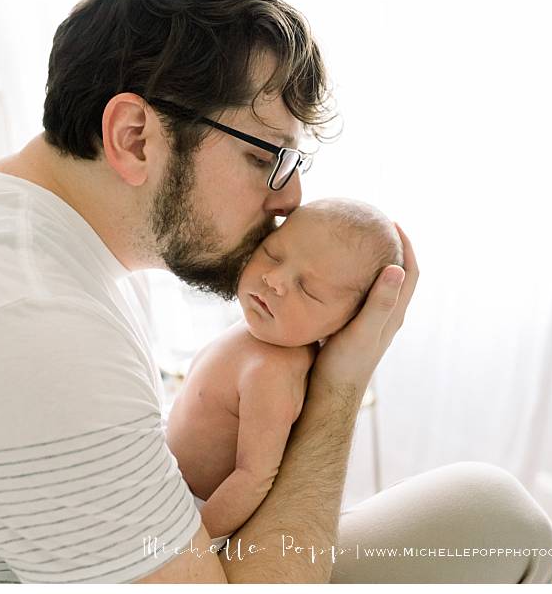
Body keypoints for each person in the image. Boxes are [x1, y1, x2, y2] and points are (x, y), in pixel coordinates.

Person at [0, 0, 552, 584]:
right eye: (271, 157)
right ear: (134, 136)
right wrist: (338, 385)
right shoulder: (30, 321)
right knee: (501, 518)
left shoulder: (25, 231)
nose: (289, 201)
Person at [166, 198, 403, 551]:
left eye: (308, 289)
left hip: (197, 512)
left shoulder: (272, 372)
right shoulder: (262, 328)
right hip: (165, 482)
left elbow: (254, 477)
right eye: (273, 254)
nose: (273, 279)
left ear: (346, 325)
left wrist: (189, 548)